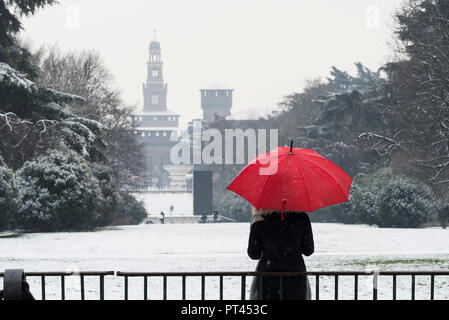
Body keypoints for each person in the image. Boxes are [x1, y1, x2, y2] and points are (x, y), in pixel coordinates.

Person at [247, 207, 314, 300]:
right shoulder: (302, 218)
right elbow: (308, 250)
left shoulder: (259, 220)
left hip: (267, 277)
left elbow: (253, 254)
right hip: (295, 275)